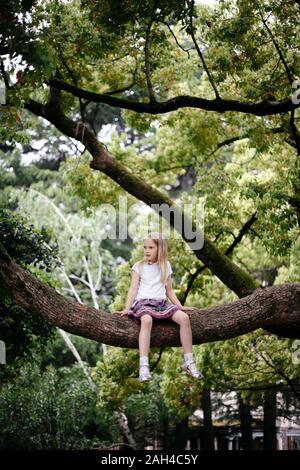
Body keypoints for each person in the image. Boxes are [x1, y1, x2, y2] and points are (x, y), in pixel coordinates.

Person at [114, 232, 203, 382]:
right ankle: (143, 366)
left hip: (162, 303)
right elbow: (133, 289)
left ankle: (189, 362)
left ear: (159, 249)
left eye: (151, 247)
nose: (146, 250)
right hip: (144, 302)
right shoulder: (138, 266)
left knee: (184, 318)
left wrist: (180, 307)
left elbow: (169, 290)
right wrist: (127, 308)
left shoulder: (165, 266)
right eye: (145, 247)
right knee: (147, 320)